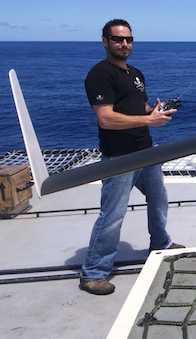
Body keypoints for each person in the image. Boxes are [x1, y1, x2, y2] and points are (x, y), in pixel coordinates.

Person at [79, 19, 185, 295]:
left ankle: (160, 244)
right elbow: (106, 118)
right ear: (105, 41)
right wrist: (148, 121)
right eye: (117, 39)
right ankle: (93, 272)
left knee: (159, 198)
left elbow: (139, 108)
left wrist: (154, 111)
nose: (124, 44)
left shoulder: (135, 74)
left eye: (128, 39)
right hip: (119, 156)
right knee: (112, 213)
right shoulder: (99, 74)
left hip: (145, 150)